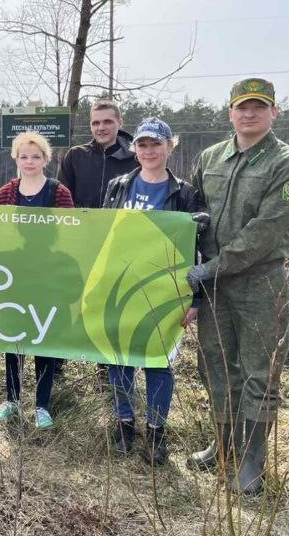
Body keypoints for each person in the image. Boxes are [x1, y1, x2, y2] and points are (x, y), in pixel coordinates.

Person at [188, 78, 289, 495]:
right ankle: (223, 446)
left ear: (274, 112)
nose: (249, 113)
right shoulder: (209, 158)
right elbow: (192, 210)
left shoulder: (286, 162)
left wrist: (214, 267)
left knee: (260, 370)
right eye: (242, 107)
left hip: (260, 281)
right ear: (231, 113)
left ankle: (252, 459)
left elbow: (266, 231)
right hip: (214, 284)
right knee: (215, 364)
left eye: (258, 106)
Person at [102, 117, 207, 465]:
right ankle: (124, 425)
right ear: (135, 149)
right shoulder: (118, 186)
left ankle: (156, 433)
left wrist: (196, 299)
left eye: (156, 144)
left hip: (165, 292)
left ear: (169, 147)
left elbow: (196, 251)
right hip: (120, 287)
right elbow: (103, 237)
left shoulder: (185, 193)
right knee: (119, 357)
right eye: (143, 145)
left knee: (158, 362)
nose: (149, 151)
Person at [0, 132, 74, 430]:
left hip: (47, 276)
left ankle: (42, 405)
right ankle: (12, 399)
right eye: (24, 156)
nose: (29, 161)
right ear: (15, 158)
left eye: (35, 156)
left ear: (45, 160)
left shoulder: (59, 192)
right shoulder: (4, 194)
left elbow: (70, 234)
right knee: (13, 338)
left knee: (43, 339)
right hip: (14, 277)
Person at [59, 98, 138, 209]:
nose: (101, 128)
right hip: (80, 220)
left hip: (122, 220)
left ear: (120, 123)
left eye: (107, 122)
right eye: (96, 123)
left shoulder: (136, 158)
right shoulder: (75, 155)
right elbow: (60, 199)